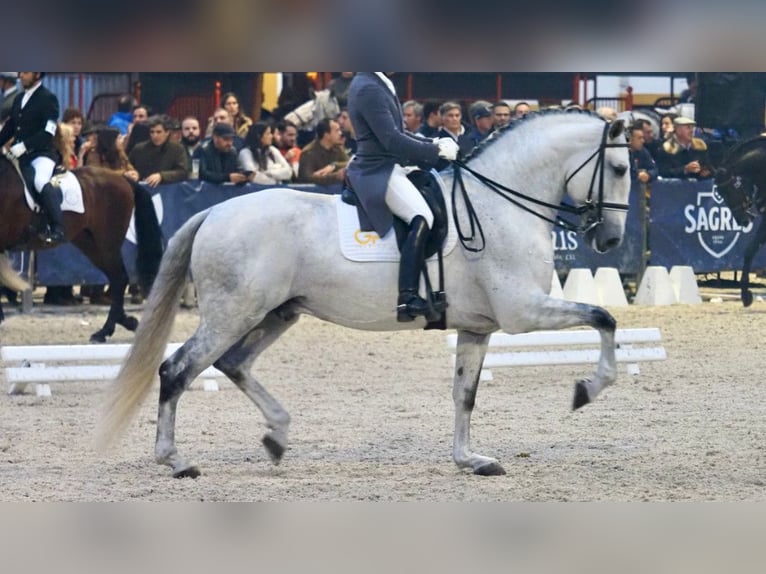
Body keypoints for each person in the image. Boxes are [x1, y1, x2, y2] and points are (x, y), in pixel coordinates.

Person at [347, 72, 459, 322]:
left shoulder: (378, 82)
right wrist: (434, 149)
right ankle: (407, 297)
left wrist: (432, 141)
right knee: (422, 216)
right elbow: (390, 139)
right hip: (378, 169)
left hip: (391, 164)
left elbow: (400, 133)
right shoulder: (368, 87)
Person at [0, 72, 64, 244]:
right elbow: (10, 126)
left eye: (26, 73)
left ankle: (56, 227)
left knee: (40, 182)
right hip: (19, 155)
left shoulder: (48, 98)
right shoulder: (20, 98)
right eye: (20, 73)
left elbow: (47, 132)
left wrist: (25, 146)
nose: (21, 76)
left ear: (37, 75)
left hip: (41, 154)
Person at [297, 117, 349, 185]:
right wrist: (335, 176)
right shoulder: (309, 152)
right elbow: (306, 179)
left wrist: (334, 166)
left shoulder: (337, 148)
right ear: (326, 135)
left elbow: (349, 163)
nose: (340, 133)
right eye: (337, 131)